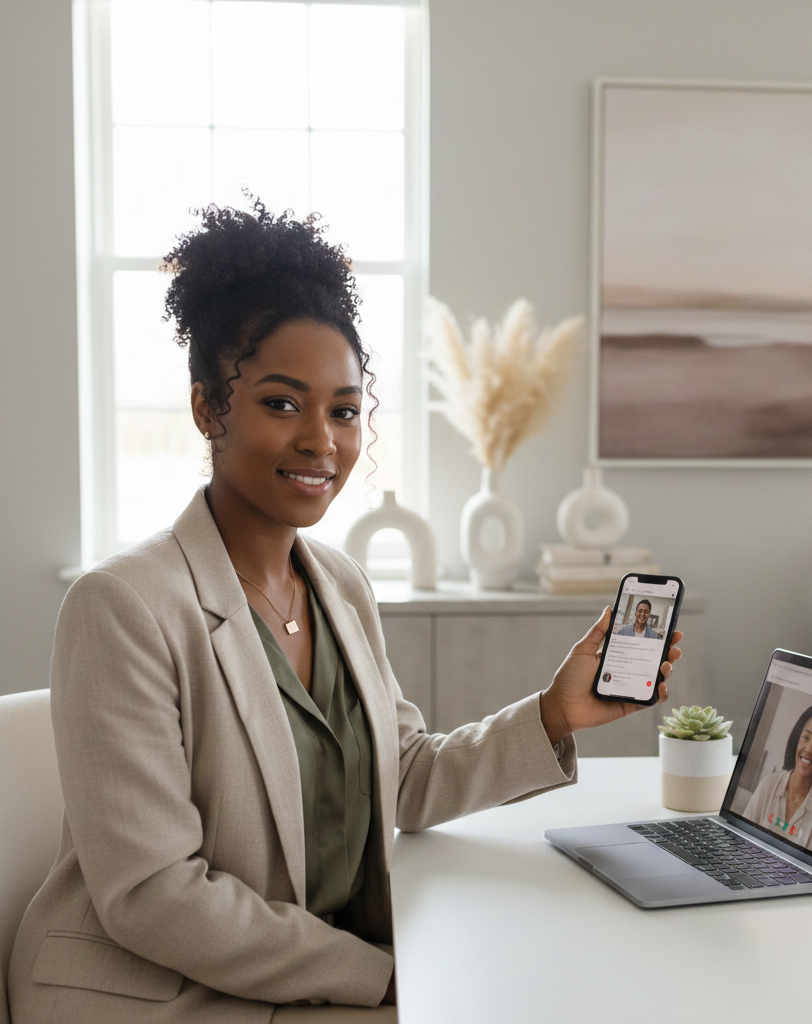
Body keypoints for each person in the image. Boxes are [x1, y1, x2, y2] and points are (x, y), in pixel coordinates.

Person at [8, 203, 682, 1024]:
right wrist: (382, 973)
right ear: (207, 410)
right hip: (160, 992)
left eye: (345, 409)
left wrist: (552, 713)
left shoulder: (340, 584)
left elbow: (402, 779)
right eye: (282, 404)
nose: (322, 441)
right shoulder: (122, 607)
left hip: (305, 966)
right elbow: (152, 895)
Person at [742, 703, 812, 857]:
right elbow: (741, 839)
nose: (808, 749)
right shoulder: (769, 784)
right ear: (797, 740)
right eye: (805, 737)